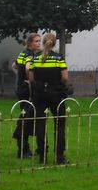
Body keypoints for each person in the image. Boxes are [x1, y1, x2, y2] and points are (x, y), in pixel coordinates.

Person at [27, 32, 70, 165]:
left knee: (40, 123)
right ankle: (59, 156)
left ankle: (42, 155)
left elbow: (31, 78)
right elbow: (65, 78)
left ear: (43, 42)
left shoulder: (35, 58)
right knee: (59, 125)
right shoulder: (58, 58)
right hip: (56, 94)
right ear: (54, 43)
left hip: (39, 94)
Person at [10, 33, 41, 159]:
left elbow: (14, 66)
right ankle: (23, 150)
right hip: (26, 90)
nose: (39, 43)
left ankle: (24, 148)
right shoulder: (30, 55)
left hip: (21, 88)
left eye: (40, 41)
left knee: (26, 116)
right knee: (26, 118)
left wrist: (19, 78)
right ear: (29, 43)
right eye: (36, 41)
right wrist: (30, 81)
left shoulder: (22, 53)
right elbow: (28, 68)